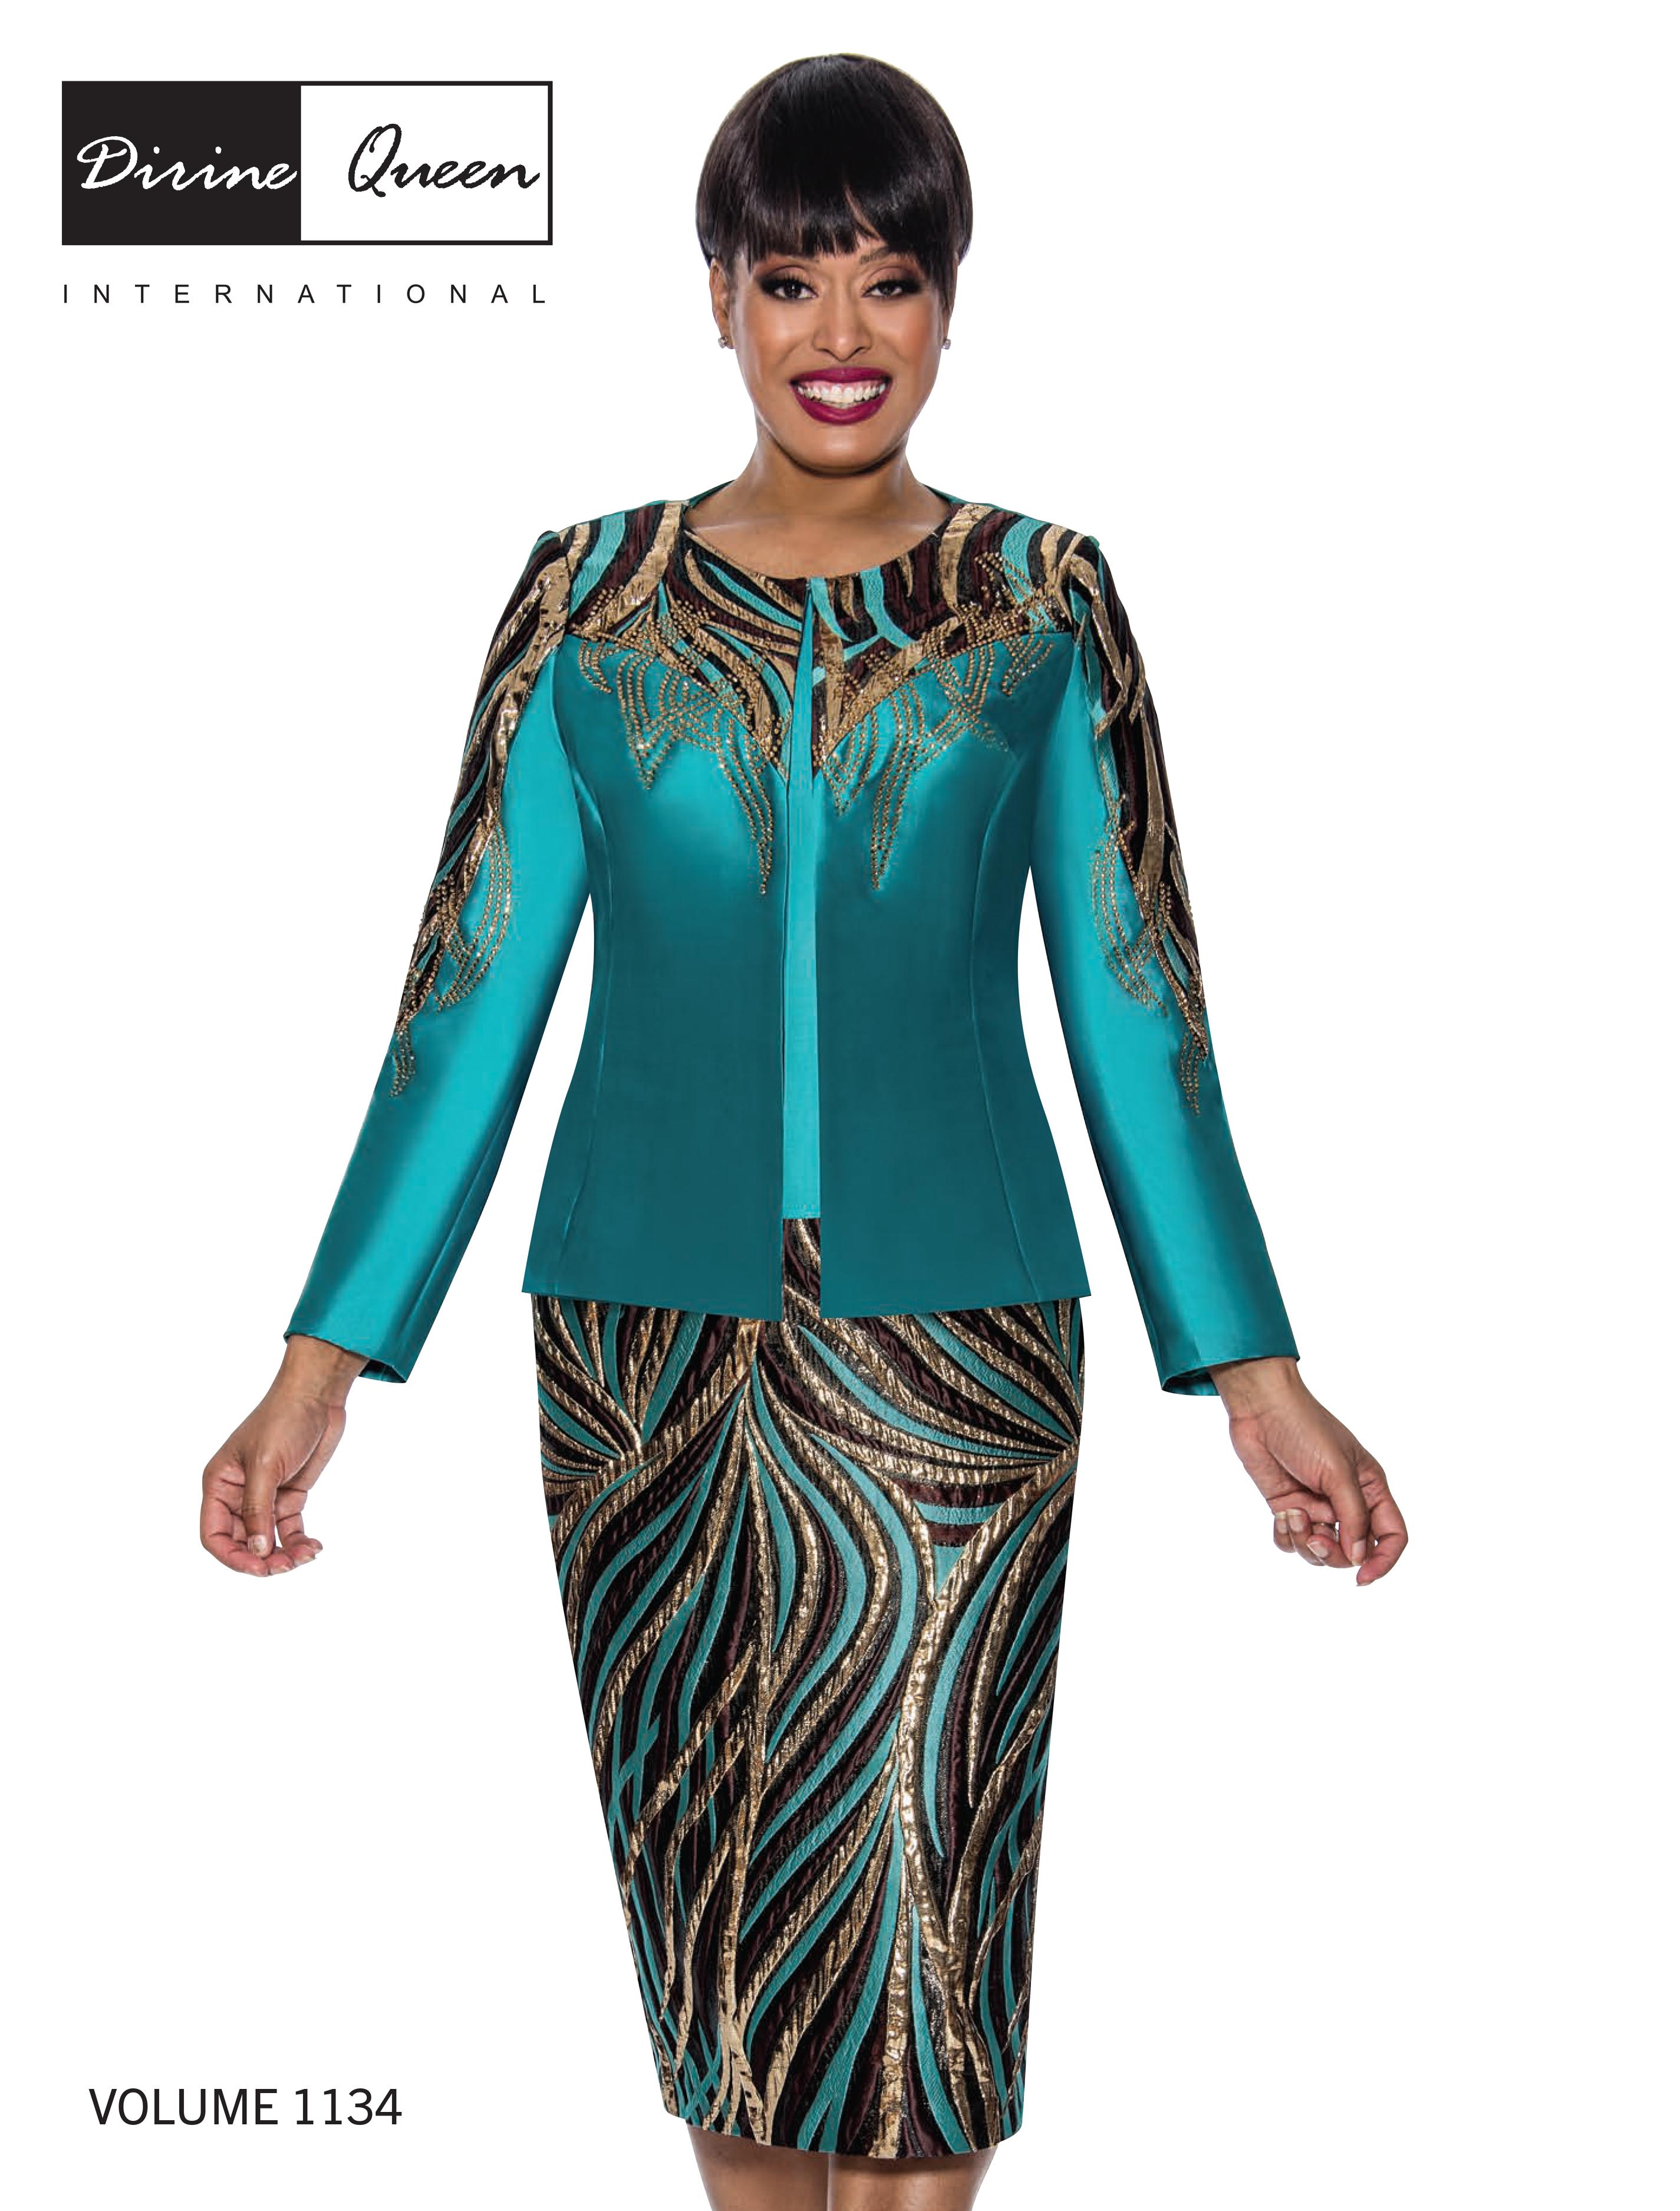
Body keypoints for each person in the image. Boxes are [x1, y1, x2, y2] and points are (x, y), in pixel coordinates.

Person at [200, 50, 1408, 2211]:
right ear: (717, 300)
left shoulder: (1040, 599)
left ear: (950, 302)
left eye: (888, 279)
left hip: (956, 1367)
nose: (839, 332)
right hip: (635, 1367)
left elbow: (1137, 992)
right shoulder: (583, 601)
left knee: (928, 1969)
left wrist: (1255, 1373)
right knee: (733, 1979)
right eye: (788, 281)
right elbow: (467, 990)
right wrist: (320, 1368)